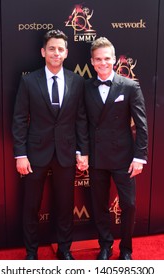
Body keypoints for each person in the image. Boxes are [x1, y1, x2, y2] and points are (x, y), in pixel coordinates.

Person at [12, 29, 89, 260]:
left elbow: (81, 118)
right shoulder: (28, 81)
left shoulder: (77, 81)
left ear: (66, 53)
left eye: (61, 49)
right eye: (52, 48)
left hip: (66, 152)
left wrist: (82, 151)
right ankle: (32, 253)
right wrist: (20, 154)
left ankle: (65, 250)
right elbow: (18, 119)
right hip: (35, 153)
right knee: (31, 206)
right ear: (43, 51)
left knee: (65, 206)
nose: (56, 53)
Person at [85, 37, 148, 260]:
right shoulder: (86, 87)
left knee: (129, 204)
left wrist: (139, 157)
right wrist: (82, 153)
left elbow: (141, 124)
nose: (103, 63)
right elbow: (82, 123)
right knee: (99, 204)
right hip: (97, 157)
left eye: (107, 59)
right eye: (98, 59)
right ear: (92, 61)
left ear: (114, 59)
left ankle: (126, 249)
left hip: (124, 157)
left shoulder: (130, 86)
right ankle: (105, 245)